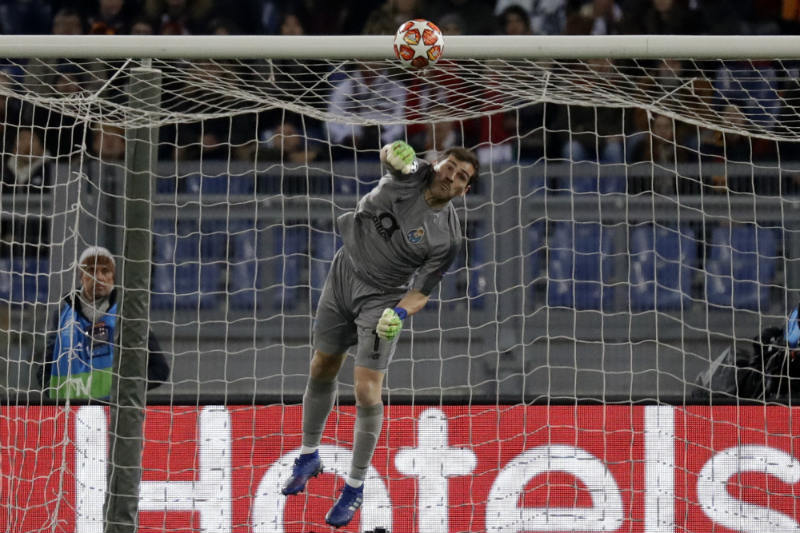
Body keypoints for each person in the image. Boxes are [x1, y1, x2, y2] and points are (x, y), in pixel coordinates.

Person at [281, 141, 479, 528]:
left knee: (366, 388)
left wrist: (400, 313)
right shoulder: (415, 172)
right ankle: (308, 455)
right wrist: (392, 149)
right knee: (322, 365)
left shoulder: (447, 238)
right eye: (450, 166)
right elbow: (392, 157)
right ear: (437, 164)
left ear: (463, 190)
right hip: (343, 274)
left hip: (382, 299)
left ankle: (354, 486)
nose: (451, 176)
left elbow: (421, 292)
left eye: (462, 177)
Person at [39, 246, 169, 400]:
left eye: (105, 271)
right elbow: (44, 370)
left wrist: (127, 389)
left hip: (115, 413)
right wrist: (58, 394)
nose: (98, 277)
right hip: (69, 412)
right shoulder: (62, 315)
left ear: (113, 277)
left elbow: (160, 369)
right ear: (81, 276)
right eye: (91, 271)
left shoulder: (130, 313)